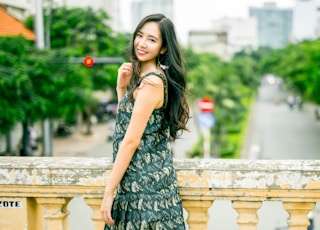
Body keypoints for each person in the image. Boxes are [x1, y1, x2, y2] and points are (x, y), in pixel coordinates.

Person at [100, 13, 190, 229]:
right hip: (139, 187)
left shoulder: (152, 83)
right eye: (140, 35)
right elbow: (126, 125)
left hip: (145, 193)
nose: (141, 43)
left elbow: (130, 141)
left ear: (163, 48)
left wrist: (108, 192)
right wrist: (121, 89)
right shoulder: (148, 80)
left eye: (152, 39)